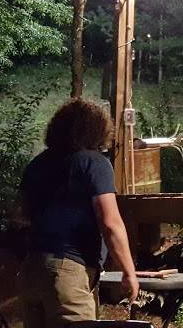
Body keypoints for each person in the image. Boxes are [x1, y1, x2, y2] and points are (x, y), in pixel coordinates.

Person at [17, 98, 139, 328]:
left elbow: (21, 215)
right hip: (68, 271)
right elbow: (110, 223)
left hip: (32, 268)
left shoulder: (37, 164)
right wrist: (128, 271)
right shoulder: (94, 163)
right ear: (97, 130)